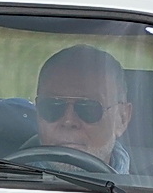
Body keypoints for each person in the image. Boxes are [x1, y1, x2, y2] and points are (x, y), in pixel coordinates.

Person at [34, 44, 133, 172]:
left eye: (88, 109)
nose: (68, 121)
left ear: (122, 118)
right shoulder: (2, 181)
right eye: (52, 106)